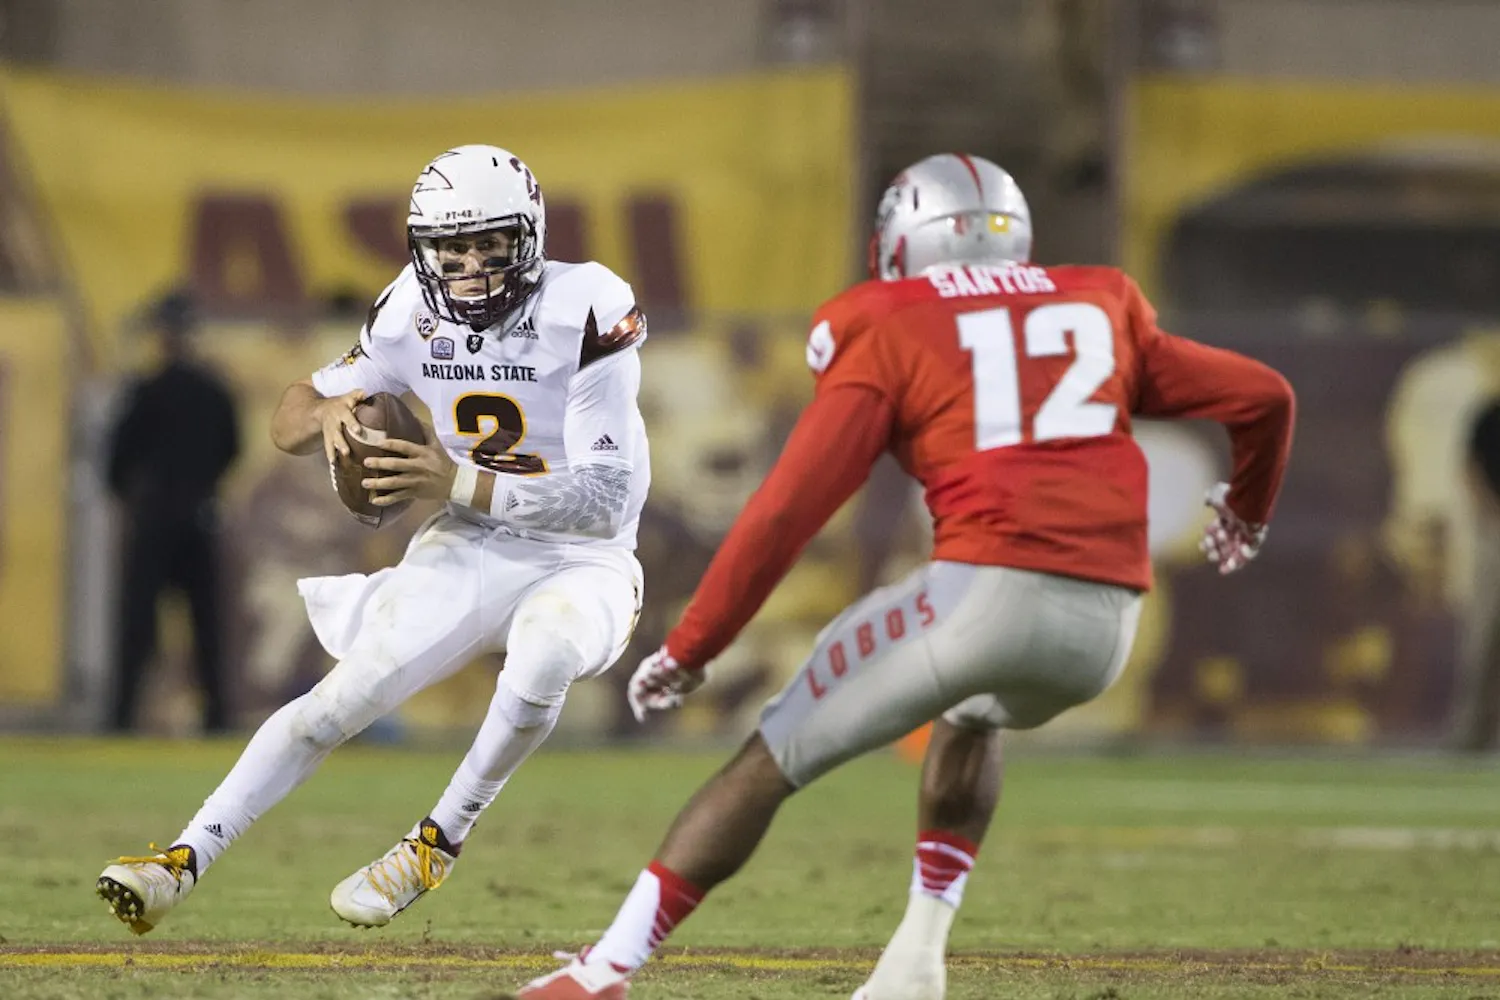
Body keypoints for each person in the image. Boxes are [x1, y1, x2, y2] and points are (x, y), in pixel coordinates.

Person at [514, 153, 1295, 1000]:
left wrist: (696, 643)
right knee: (971, 714)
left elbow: (787, 511)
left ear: (904, 244)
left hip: (984, 597)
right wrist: (1245, 510)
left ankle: (602, 973)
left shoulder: (885, 318)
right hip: (1109, 622)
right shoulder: (1101, 299)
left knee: (769, 755)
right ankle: (917, 961)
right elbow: (1264, 397)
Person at [96, 144, 651, 936]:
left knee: (547, 651)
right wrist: (328, 413)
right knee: (337, 701)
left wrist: (446, 480)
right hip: (475, 537)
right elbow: (293, 410)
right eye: (449, 248)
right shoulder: (406, 312)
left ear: (526, 238)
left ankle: (435, 841)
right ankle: (181, 861)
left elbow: (601, 500)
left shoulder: (588, 304)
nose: (467, 266)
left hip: (585, 557)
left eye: (487, 244)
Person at [105, 291, 241, 734]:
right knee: (205, 627)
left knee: (139, 625)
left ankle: (121, 718)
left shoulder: (146, 391)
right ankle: (216, 719)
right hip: (197, 516)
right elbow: (231, 450)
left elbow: (115, 460)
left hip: (154, 519)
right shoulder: (212, 392)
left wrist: (137, 497)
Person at [1453, 397, 1500, 752]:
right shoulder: (1490, 415)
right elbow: (1471, 467)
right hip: (1495, 532)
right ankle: (1474, 733)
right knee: (1485, 637)